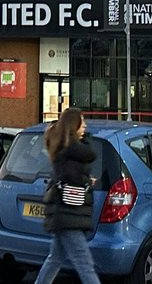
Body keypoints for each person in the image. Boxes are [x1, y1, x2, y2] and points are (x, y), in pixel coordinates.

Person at [36, 107, 100, 284]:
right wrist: (86, 181)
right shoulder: (71, 151)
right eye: (82, 122)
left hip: (64, 214)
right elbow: (72, 176)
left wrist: (85, 180)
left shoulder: (67, 150)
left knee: (54, 260)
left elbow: (70, 175)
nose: (85, 125)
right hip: (68, 214)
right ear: (74, 125)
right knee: (85, 263)